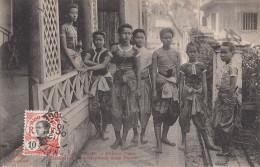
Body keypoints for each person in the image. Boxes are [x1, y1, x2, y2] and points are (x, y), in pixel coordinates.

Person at [179, 42, 219, 151]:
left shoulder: (201, 66)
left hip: (199, 97)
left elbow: (204, 83)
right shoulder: (184, 66)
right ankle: (183, 142)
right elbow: (181, 83)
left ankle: (207, 143)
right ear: (187, 53)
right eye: (190, 52)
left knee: (200, 120)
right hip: (187, 96)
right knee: (184, 118)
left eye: (195, 51)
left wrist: (205, 98)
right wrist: (181, 98)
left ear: (198, 53)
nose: (193, 54)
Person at [110, 23, 141, 150]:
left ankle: (124, 138)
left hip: (131, 82)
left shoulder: (135, 50)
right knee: (115, 110)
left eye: (129, 33)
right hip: (117, 81)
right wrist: (114, 75)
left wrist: (138, 87)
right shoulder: (114, 49)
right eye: (124, 33)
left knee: (129, 110)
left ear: (131, 35)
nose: (126, 35)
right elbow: (110, 65)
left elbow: (138, 69)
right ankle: (117, 138)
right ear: (119, 34)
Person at [151, 28, 181, 153]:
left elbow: (179, 72)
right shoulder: (156, 53)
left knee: (170, 113)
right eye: (165, 37)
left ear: (172, 38)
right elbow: (153, 72)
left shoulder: (176, 53)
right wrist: (153, 89)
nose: (168, 39)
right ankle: (159, 144)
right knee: (158, 114)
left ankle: (164, 137)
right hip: (160, 85)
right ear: (161, 39)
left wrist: (178, 87)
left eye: (170, 37)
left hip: (172, 87)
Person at [84, 31, 113, 140]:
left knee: (105, 106)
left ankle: (104, 131)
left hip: (106, 80)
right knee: (94, 107)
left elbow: (104, 67)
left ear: (104, 41)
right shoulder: (91, 51)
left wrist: (101, 66)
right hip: (95, 80)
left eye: (100, 39)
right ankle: (98, 129)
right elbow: (85, 60)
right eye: (96, 39)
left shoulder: (108, 52)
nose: (98, 42)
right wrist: (100, 65)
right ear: (93, 41)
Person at [213, 42, 238, 166]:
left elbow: (232, 85)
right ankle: (226, 149)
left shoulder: (232, 67)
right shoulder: (225, 66)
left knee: (225, 125)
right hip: (221, 98)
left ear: (232, 54)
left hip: (228, 99)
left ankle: (228, 152)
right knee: (219, 124)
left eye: (225, 52)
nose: (222, 54)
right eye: (221, 52)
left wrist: (228, 98)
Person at [130, 29, 152, 144]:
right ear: (133, 38)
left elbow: (151, 72)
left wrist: (152, 87)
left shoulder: (149, 54)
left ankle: (143, 134)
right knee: (133, 109)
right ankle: (135, 133)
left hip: (144, 82)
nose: (140, 39)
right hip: (132, 83)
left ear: (145, 38)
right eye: (137, 37)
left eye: (142, 37)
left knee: (145, 110)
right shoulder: (130, 51)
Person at [60, 4, 86, 74]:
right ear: (66, 15)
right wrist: (75, 65)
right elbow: (64, 48)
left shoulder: (74, 28)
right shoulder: (64, 27)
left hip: (75, 56)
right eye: (72, 13)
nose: (75, 15)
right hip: (67, 58)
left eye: (76, 13)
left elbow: (75, 46)